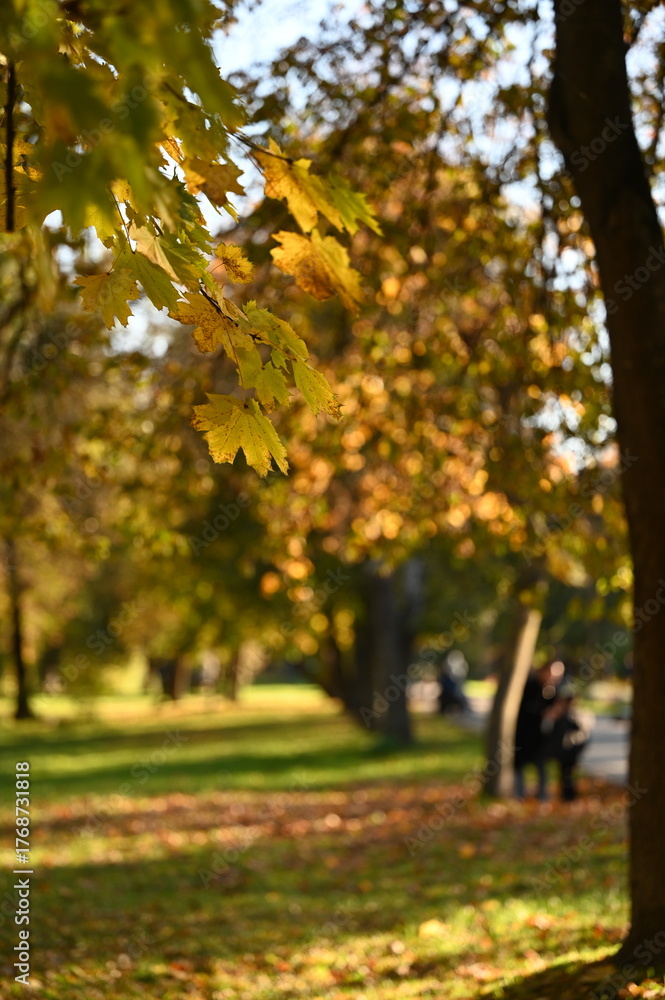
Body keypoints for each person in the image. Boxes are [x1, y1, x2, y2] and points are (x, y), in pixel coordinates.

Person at [514, 659, 564, 800]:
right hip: (524, 735)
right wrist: (545, 712)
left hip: (540, 739)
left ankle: (542, 796)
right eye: (553, 672)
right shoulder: (530, 686)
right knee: (519, 765)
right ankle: (519, 795)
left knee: (541, 765)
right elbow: (527, 710)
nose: (555, 677)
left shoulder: (553, 690)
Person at [543, 680, 594, 801]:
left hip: (571, 751)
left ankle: (569, 795)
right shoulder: (559, 714)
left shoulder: (575, 715)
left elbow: (581, 731)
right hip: (562, 751)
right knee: (564, 774)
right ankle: (566, 795)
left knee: (568, 775)